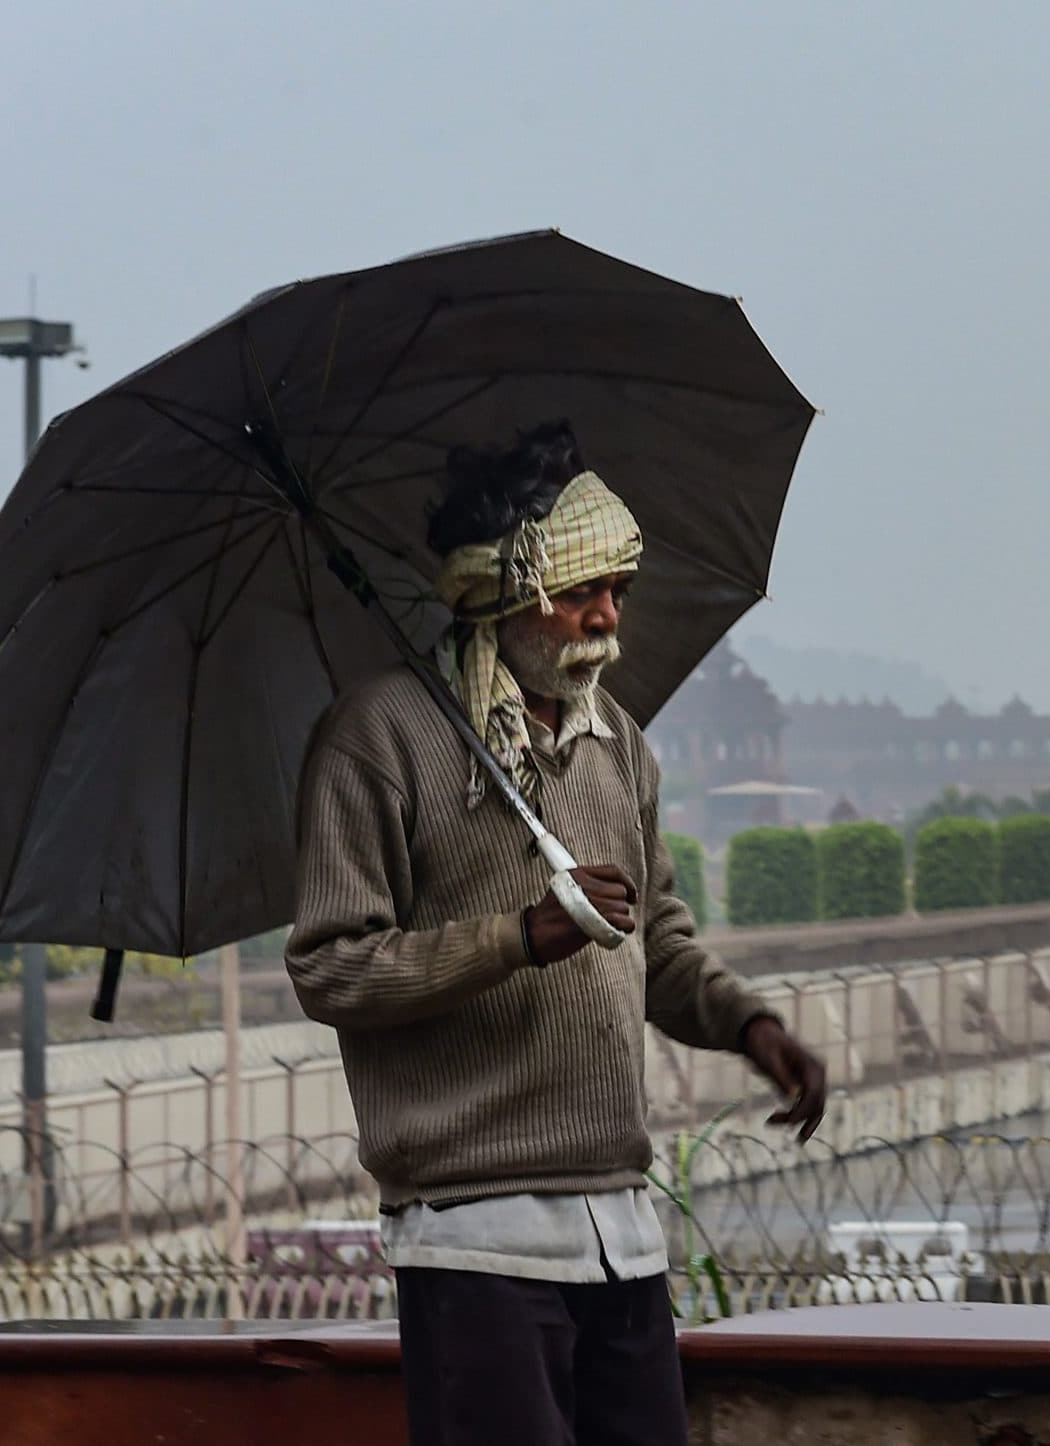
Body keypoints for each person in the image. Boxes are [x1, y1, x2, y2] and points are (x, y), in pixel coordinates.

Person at [288, 421, 826, 1446]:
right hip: (476, 1239)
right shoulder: (380, 737)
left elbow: (653, 935)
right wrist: (519, 935)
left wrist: (751, 1027)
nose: (608, 615)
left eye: (618, 588)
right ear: (504, 593)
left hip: (619, 1226)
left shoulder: (613, 738)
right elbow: (332, 967)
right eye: (584, 590)